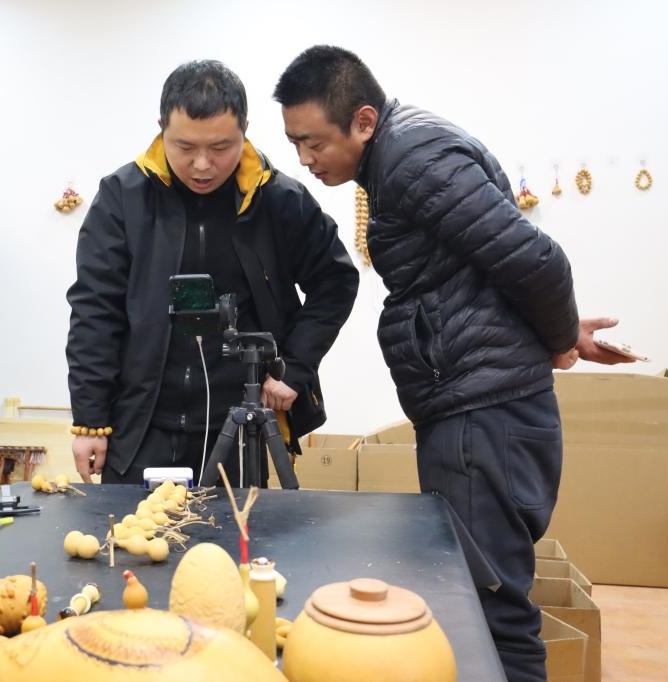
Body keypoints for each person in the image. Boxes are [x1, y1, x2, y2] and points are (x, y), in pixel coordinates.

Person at [273, 45, 632, 682]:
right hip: (478, 406)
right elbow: (494, 267)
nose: (304, 158)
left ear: (362, 121)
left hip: (480, 415)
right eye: (294, 143)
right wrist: (558, 330)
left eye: (313, 142)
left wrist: (558, 341)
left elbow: (539, 262)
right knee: (480, 602)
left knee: (489, 615)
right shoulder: (403, 151)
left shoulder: (411, 160)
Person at [66, 60, 359, 487]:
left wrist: (294, 368)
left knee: (239, 532)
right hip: (139, 425)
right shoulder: (122, 198)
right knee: (133, 531)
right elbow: (95, 310)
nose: (202, 165)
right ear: (161, 129)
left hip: (240, 427)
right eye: (185, 147)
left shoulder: (279, 200)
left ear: (244, 131)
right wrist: (90, 421)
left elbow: (335, 282)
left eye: (221, 147)